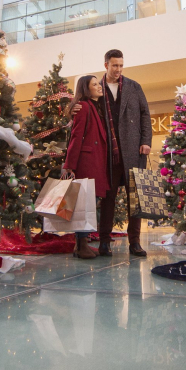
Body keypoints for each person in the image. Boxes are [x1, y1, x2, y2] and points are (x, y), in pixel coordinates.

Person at [72, 50, 152, 257]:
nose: (118, 69)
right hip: (108, 152)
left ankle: (135, 242)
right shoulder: (96, 88)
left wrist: (146, 141)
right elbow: (81, 105)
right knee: (108, 197)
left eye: (121, 65)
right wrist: (70, 109)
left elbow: (145, 114)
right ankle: (104, 242)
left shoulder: (134, 87)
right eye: (114, 65)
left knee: (135, 197)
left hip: (134, 149)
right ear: (106, 64)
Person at [60, 75, 109, 259]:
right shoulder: (84, 107)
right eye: (94, 84)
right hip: (86, 162)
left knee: (88, 203)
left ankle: (80, 244)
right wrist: (69, 165)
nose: (99, 87)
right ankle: (80, 245)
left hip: (94, 161)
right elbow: (76, 136)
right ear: (86, 89)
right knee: (84, 204)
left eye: (99, 83)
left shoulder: (94, 107)